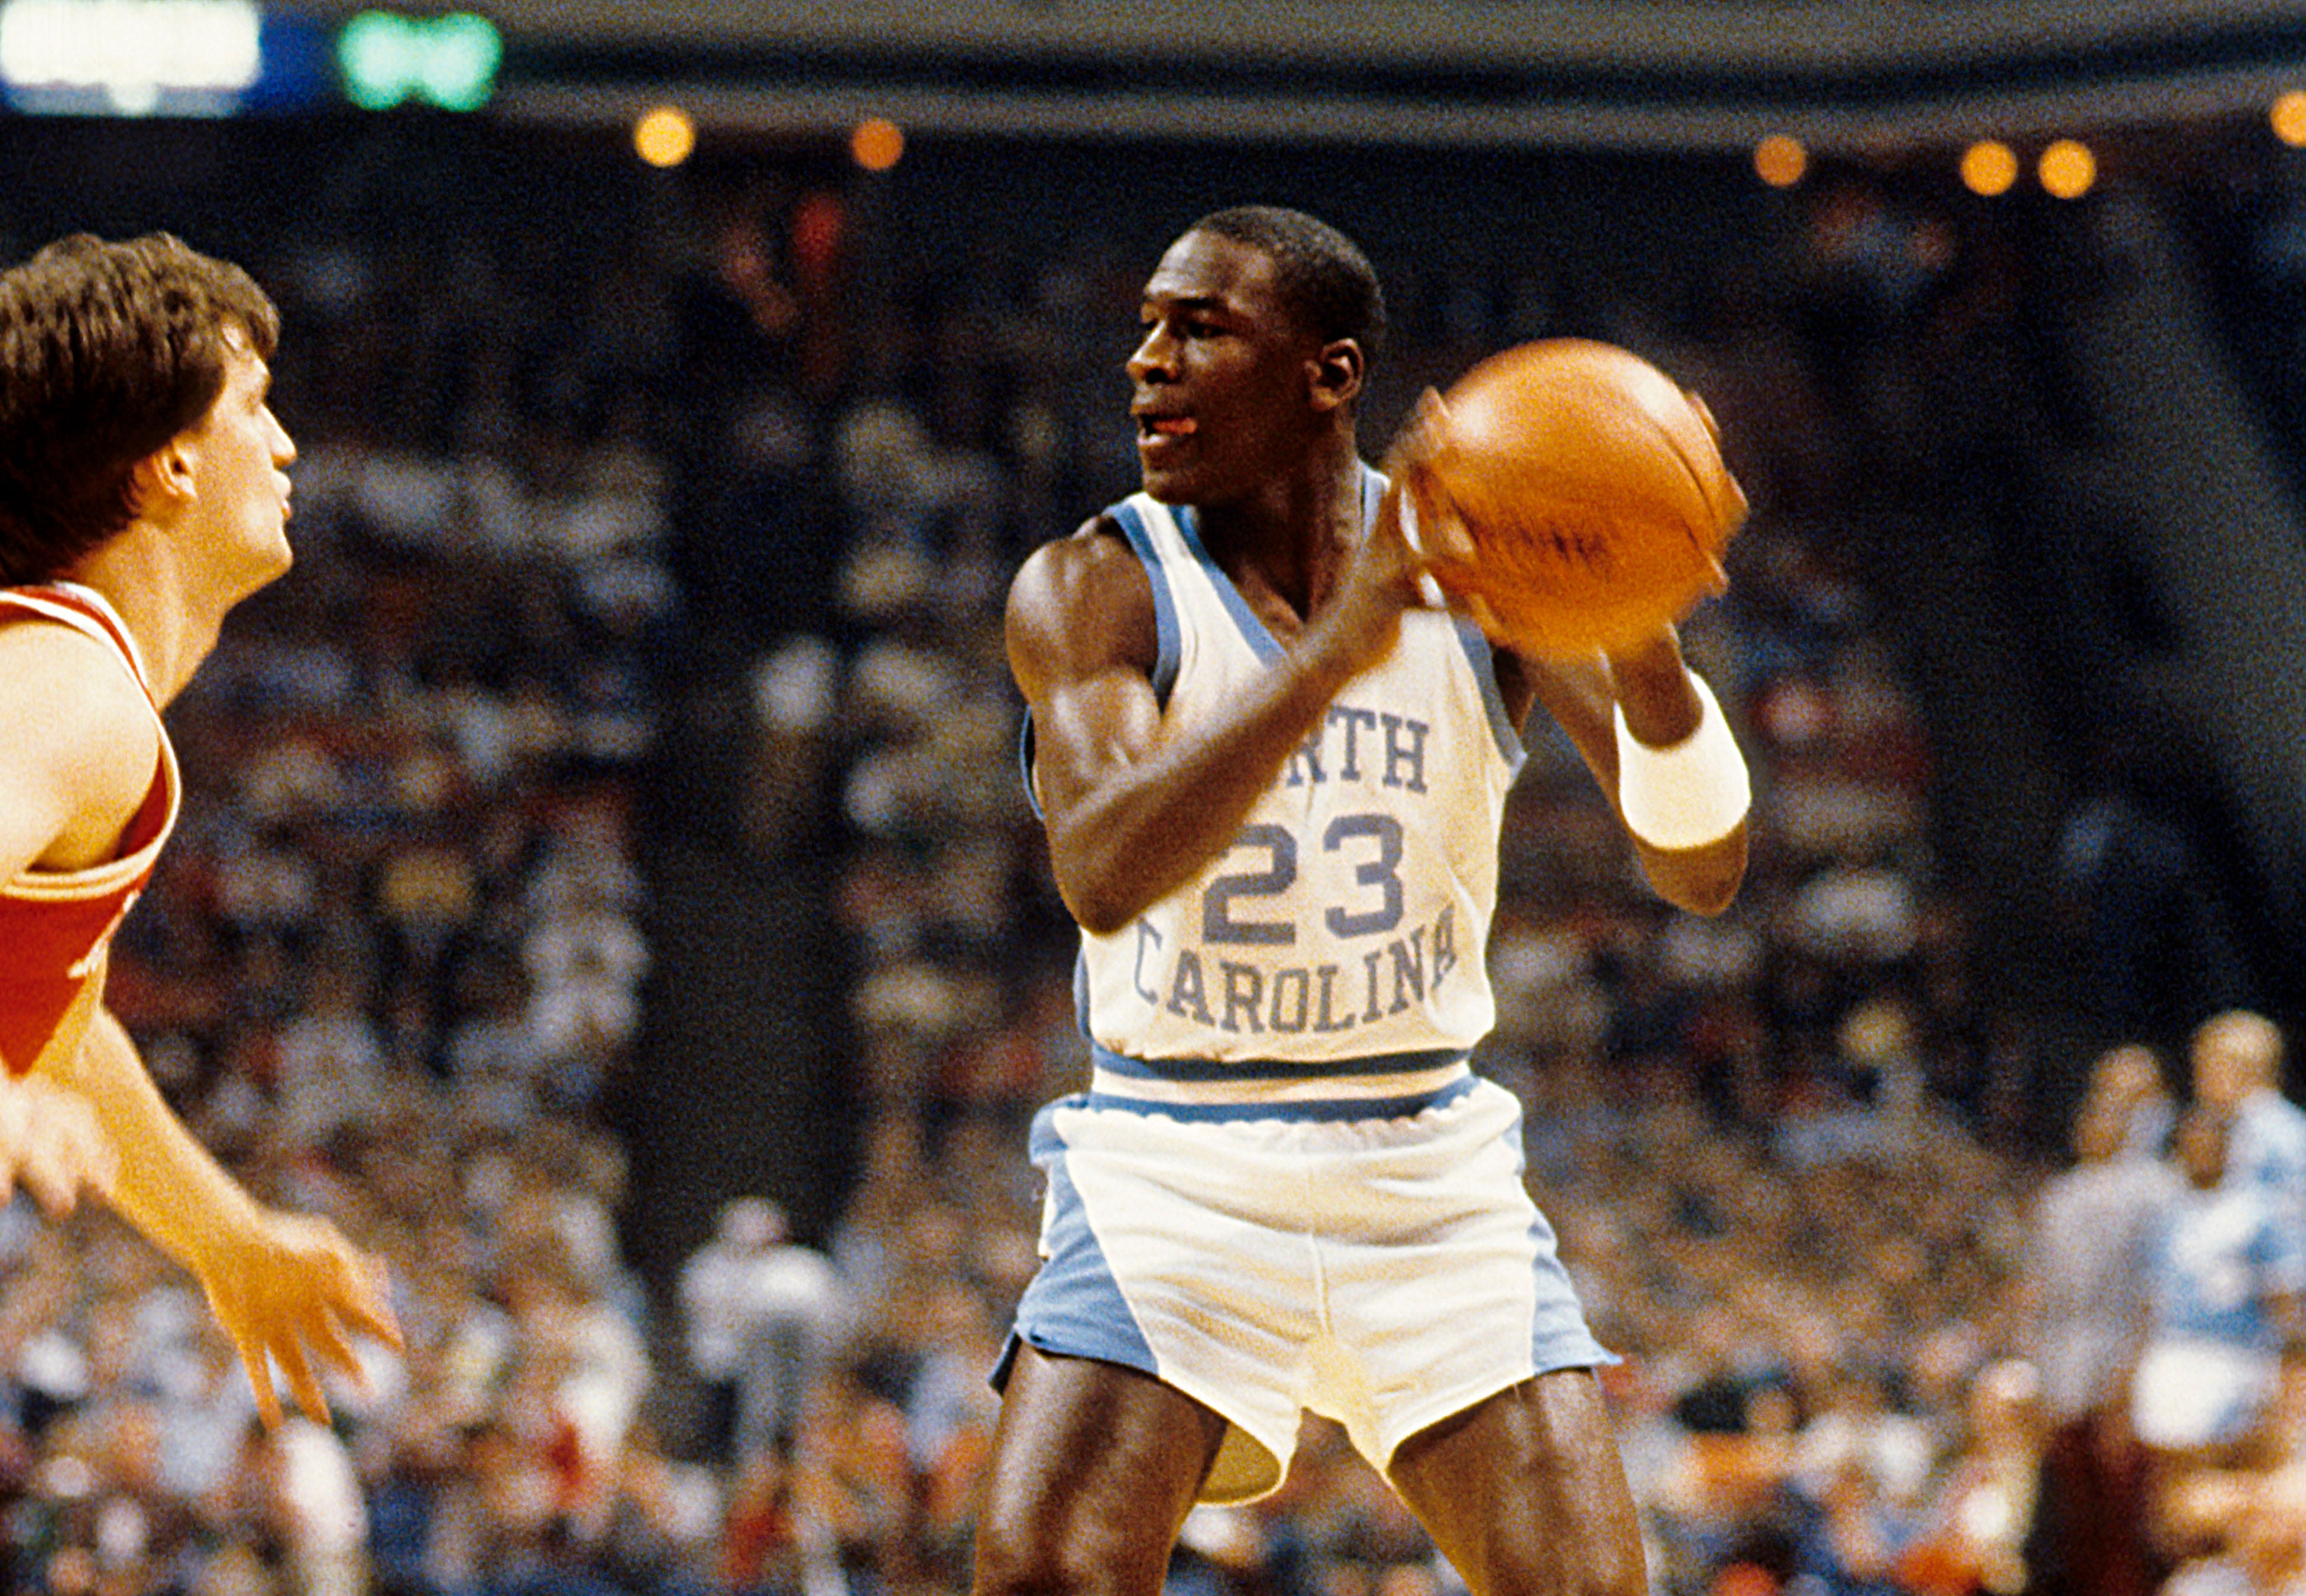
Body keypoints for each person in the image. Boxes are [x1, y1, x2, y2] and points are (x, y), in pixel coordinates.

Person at [979, 205, 1750, 1596]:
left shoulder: (1485, 563)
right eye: (1148, 328)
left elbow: (1701, 868)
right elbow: (1099, 870)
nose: (1149, 360)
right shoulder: (1097, 583)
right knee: (1045, 1572)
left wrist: (1639, 645)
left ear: (1329, 375)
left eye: (1201, 329)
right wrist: (1345, 644)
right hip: (1176, 1158)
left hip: (1424, 1160)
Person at [0, 232, 400, 1426]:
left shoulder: (72, 685)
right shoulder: (72, 690)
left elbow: (54, 1029)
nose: (283, 446)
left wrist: (225, 1239)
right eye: (255, 407)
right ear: (171, 466)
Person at [2192, 1010, 2306, 1230]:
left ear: (2237, 1068)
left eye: (2204, 1067)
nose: (2197, 1083)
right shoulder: (2243, 1125)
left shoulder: (2271, 1134)